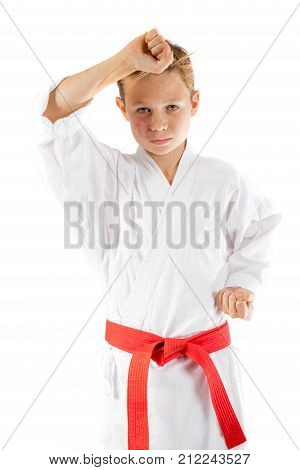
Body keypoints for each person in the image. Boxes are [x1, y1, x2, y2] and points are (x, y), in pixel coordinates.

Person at [31, 28, 282, 450]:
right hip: (137, 369)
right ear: (121, 109)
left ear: (195, 103)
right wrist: (122, 62)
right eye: (142, 109)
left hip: (206, 369)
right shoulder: (104, 175)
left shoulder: (224, 180)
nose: (158, 123)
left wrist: (241, 282)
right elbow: (54, 114)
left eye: (172, 106)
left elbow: (261, 226)